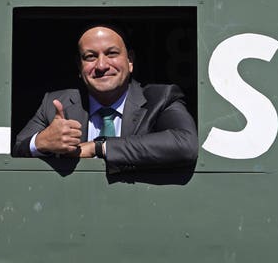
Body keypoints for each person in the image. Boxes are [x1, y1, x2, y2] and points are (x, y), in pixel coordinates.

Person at [14, 25, 198, 173]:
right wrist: (41, 142)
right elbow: (18, 148)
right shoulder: (56, 103)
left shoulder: (160, 99)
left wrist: (100, 147)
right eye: (90, 57)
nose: (101, 65)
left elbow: (185, 144)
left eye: (111, 54)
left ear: (130, 60)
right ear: (79, 67)